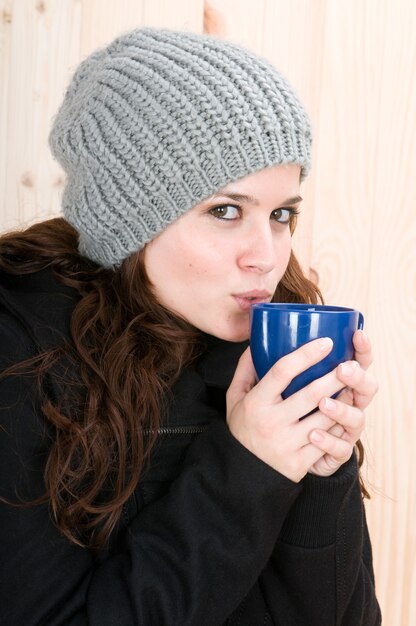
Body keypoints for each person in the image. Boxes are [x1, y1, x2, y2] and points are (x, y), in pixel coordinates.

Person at [0, 27, 381, 625]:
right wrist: (249, 468)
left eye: (282, 214)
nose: (267, 255)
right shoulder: (20, 350)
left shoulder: (268, 333)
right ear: (127, 218)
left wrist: (320, 465)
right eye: (225, 211)